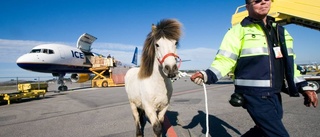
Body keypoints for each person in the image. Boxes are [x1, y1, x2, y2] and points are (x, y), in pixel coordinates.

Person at [190, 0, 318, 136]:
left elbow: (289, 64)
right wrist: (208, 75)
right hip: (254, 94)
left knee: (263, 130)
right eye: (256, 0)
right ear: (247, 6)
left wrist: (304, 87)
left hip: (275, 92)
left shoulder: (281, 31)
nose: (263, 2)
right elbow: (225, 59)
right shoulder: (238, 31)